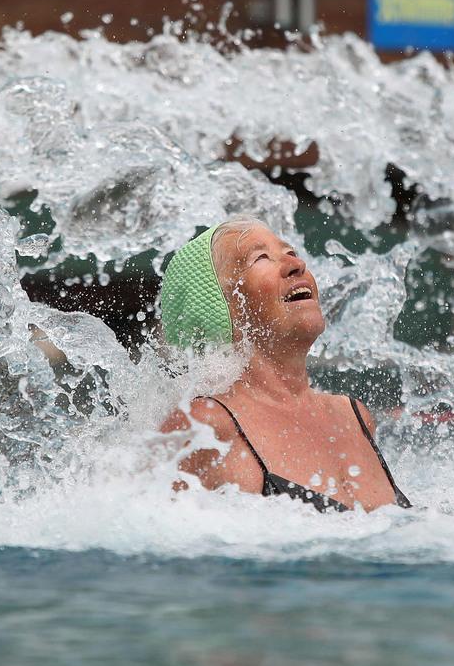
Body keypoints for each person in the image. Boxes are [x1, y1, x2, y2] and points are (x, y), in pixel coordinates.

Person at [158, 218, 411, 513]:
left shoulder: (355, 416)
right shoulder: (205, 424)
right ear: (224, 307)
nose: (296, 265)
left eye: (290, 252)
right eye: (260, 257)